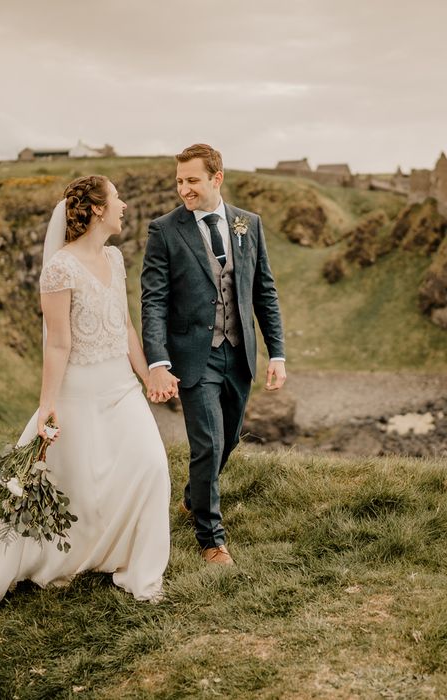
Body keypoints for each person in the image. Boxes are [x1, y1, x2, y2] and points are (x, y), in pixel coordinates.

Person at [0, 176, 170, 613]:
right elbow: (57, 343)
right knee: (80, 483)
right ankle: (70, 556)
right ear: (98, 209)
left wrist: (149, 373)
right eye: (116, 198)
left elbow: (125, 327)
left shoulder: (116, 259)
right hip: (80, 391)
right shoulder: (59, 268)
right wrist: (47, 406)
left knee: (152, 467)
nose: (124, 205)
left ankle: (140, 570)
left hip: (122, 388)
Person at [142, 144, 285, 565]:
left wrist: (277, 353)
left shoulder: (248, 224)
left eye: (192, 180)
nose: (184, 189)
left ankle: (193, 497)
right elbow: (154, 299)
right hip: (193, 357)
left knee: (230, 437)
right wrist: (158, 360)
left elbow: (265, 292)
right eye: (179, 181)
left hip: (239, 354)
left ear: (216, 178)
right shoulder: (164, 230)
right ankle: (211, 539)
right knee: (208, 442)